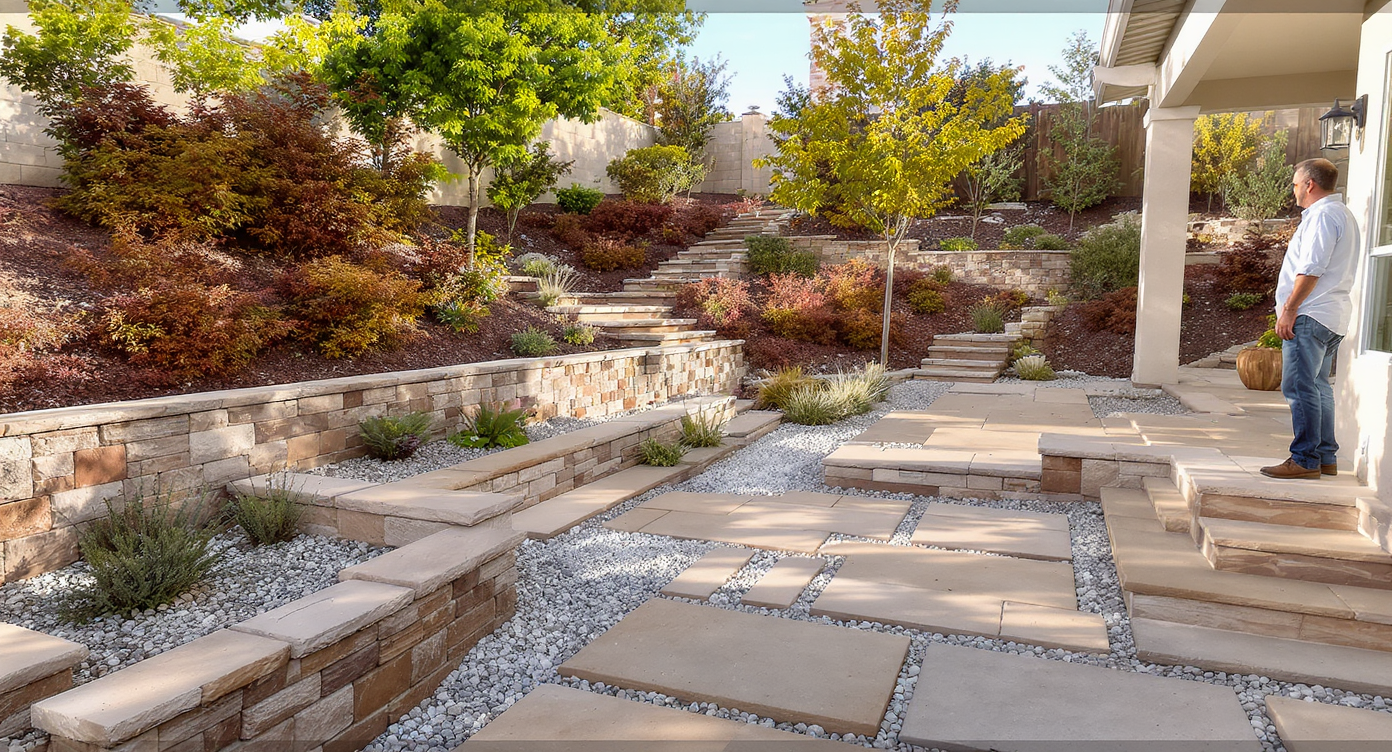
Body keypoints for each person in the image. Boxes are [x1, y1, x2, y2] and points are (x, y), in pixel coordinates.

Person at [1260, 158, 1360, 480]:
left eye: (1294, 184)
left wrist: (1289, 310)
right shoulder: (1342, 214)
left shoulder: (1322, 216)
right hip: (1331, 316)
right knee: (1319, 387)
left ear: (1309, 184)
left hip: (1311, 315)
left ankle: (1304, 459)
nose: (1293, 190)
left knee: (1299, 387)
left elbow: (1311, 269)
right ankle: (1325, 457)